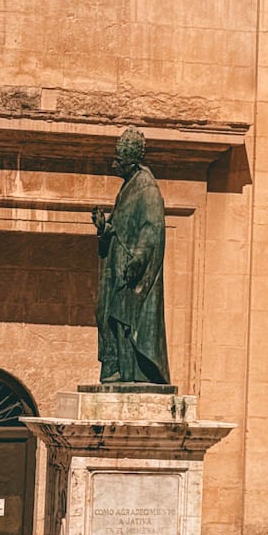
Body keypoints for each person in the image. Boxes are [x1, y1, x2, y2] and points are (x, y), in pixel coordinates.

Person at [92, 127, 170, 385]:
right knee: (105, 314)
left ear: (132, 162)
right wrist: (104, 228)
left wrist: (138, 259)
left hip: (131, 270)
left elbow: (152, 228)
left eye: (120, 161)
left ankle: (131, 372)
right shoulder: (127, 187)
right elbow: (120, 227)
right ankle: (114, 369)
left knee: (122, 319)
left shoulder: (147, 189)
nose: (115, 165)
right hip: (116, 266)